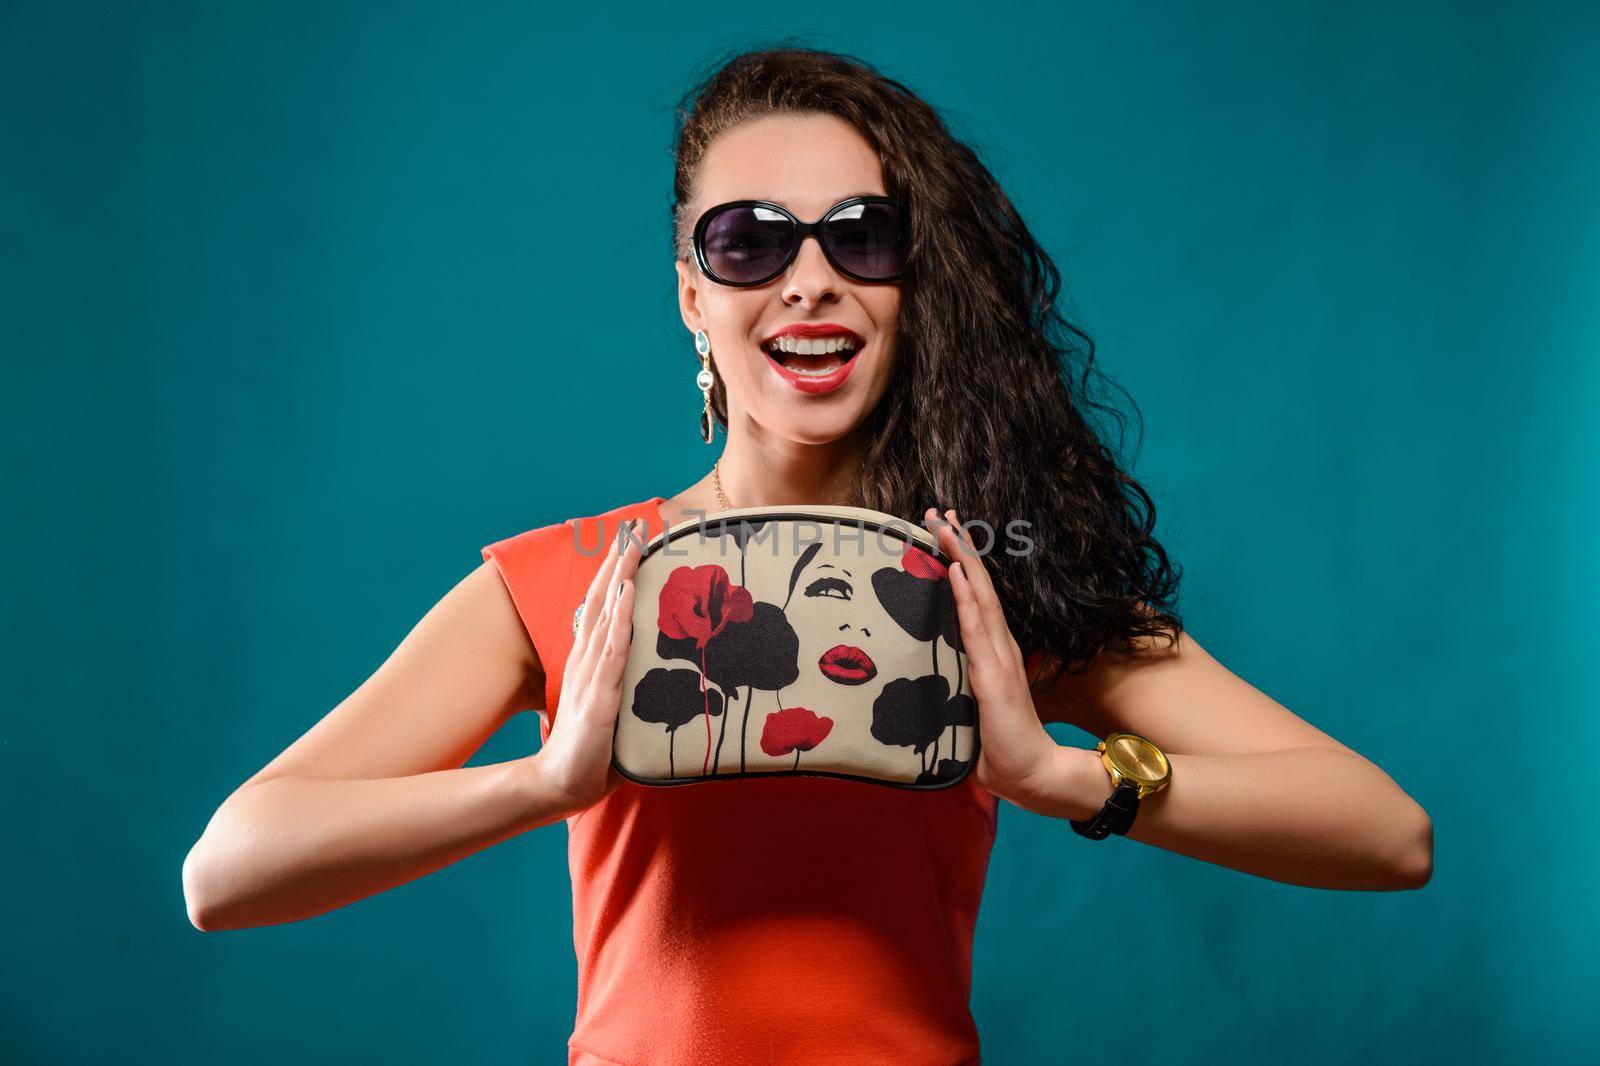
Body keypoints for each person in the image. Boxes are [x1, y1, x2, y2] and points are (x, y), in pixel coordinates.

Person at [181, 46, 1433, 1065]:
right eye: (750, 241)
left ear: (911, 285)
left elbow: (1386, 833)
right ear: (692, 293)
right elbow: (227, 871)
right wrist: (544, 785)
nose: (811, 281)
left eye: (862, 238)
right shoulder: (575, 581)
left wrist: (1061, 776)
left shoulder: (980, 580)